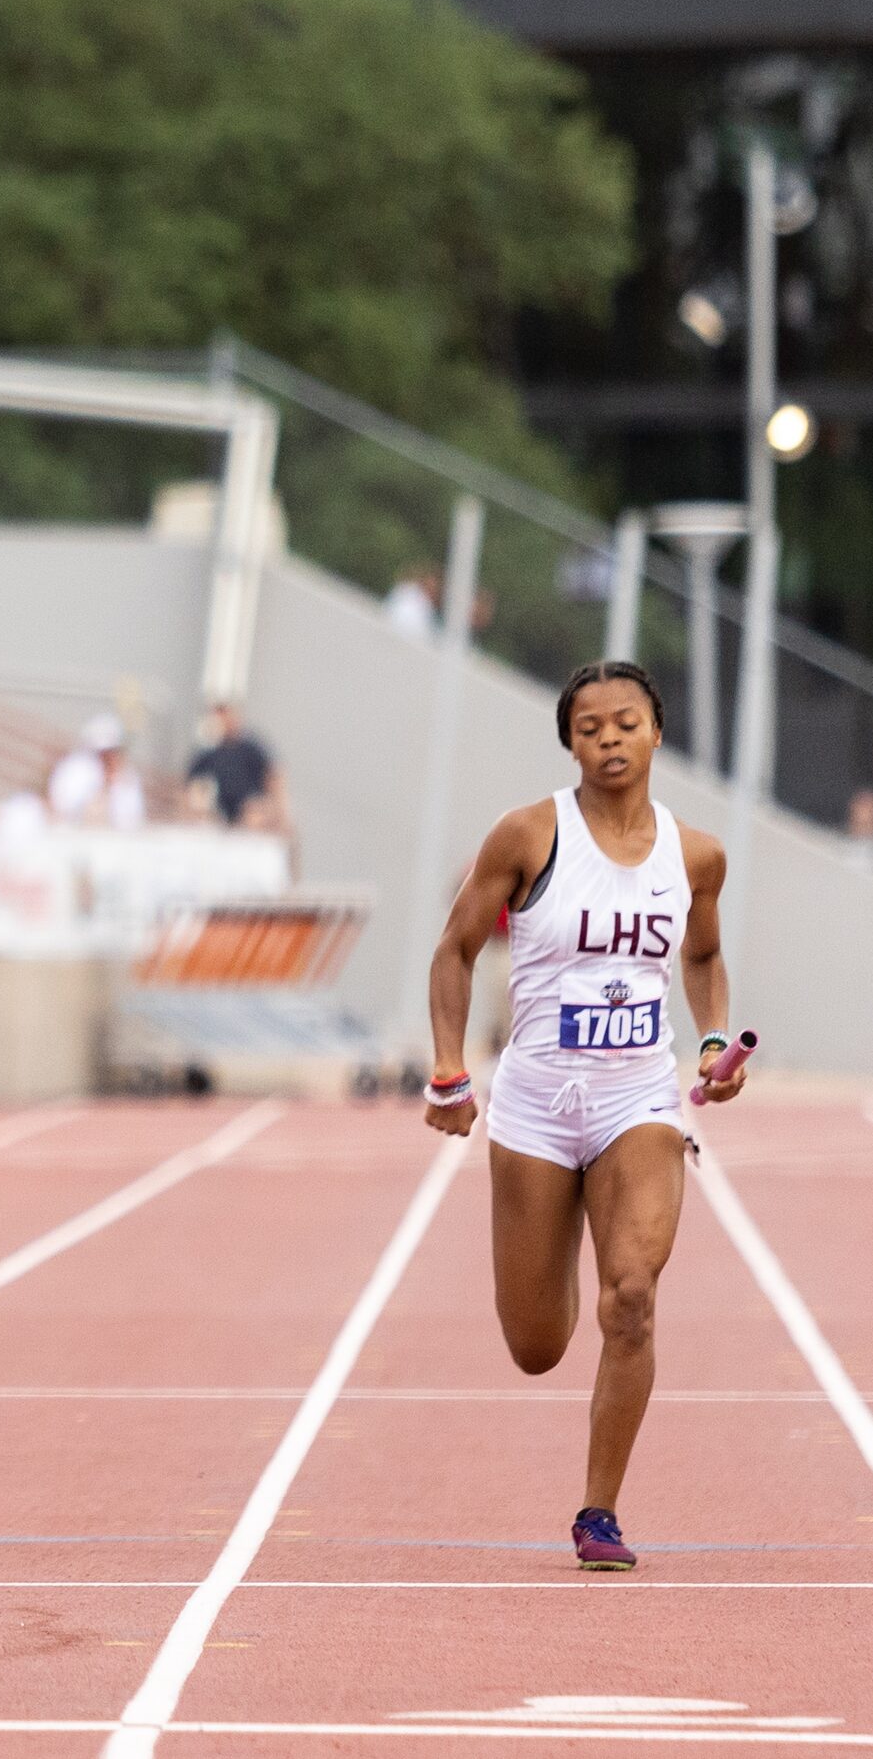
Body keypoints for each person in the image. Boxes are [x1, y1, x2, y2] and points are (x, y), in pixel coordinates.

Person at [424, 660, 741, 1574]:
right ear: (569, 740)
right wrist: (449, 1070)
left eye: (625, 722)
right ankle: (556, 1252)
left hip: (636, 1098)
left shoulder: (695, 857)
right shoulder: (528, 836)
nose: (608, 738)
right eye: (589, 726)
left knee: (632, 1297)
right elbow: (454, 952)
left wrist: (713, 1039)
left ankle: (598, 1512)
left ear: (655, 733)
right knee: (535, 1345)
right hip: (534, 1103)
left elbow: (704, 956)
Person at [185, 701, 277, 828]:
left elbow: (273, 776)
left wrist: (275, 809)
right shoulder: (210, 753)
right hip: (223, 812)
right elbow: (192, 781)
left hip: (251, 810)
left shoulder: (251, 748)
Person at [46, 711, 143, 828]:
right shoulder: (76, 769)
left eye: (112, 751)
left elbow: (132, 815)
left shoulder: (126, 774)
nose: (108, 756)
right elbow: (64, 807)